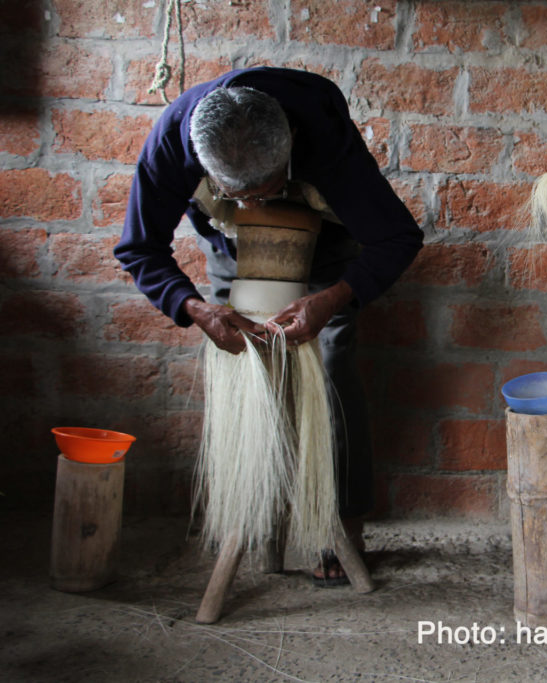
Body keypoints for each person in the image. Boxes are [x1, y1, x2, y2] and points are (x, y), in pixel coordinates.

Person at [114, 66, 423, 584]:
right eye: (239, 194)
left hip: (324, 244)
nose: (255, 205)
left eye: (265, 189)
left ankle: (339, 523)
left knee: (330, 370)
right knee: (242, 368)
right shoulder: (173, 142)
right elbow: (138, 246)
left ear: (292, 145)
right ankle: (253, 515)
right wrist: (196, 309)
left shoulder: (326, 140)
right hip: (232, 246)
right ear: (204, 164)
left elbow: (397, 238)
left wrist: (332, 300)